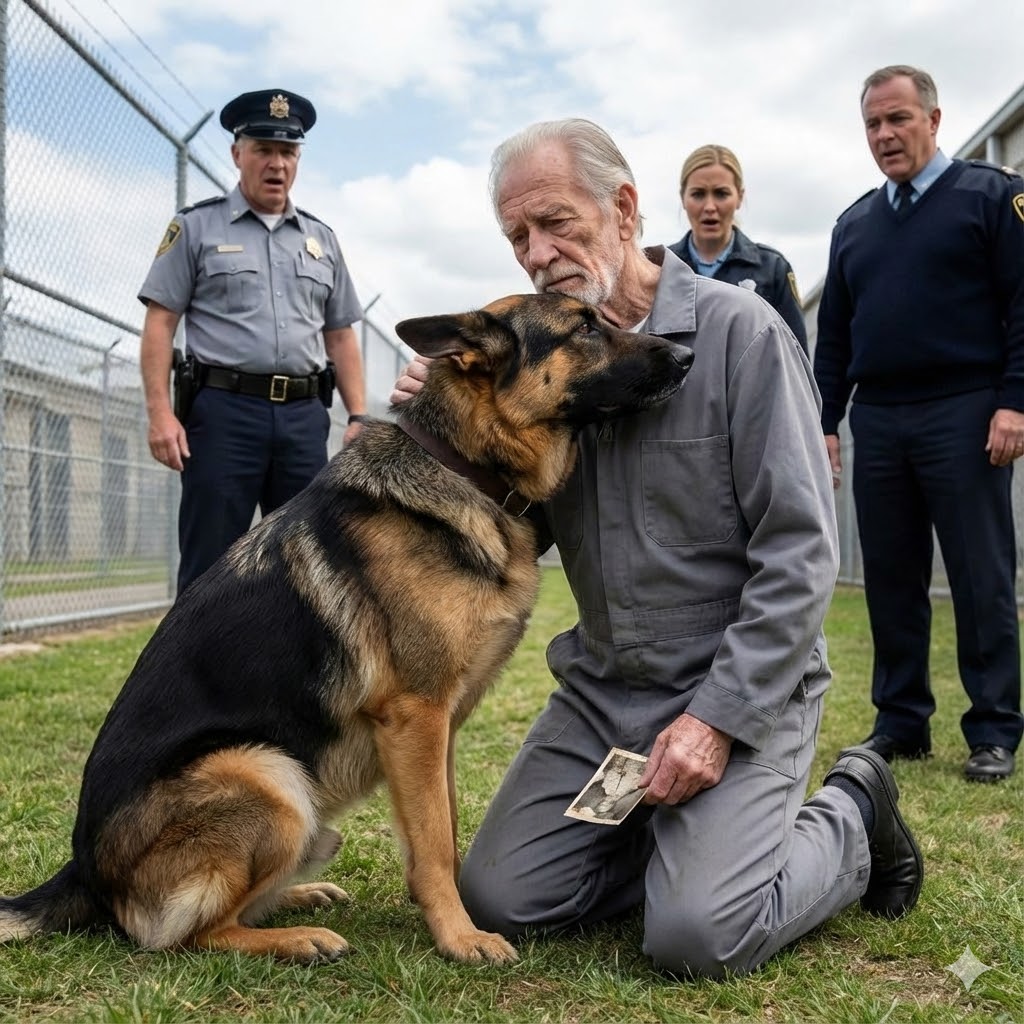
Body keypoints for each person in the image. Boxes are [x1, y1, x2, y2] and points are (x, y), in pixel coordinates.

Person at [391, 117, 922, 979]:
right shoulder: (537, 372)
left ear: (625, 208)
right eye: (518, 236)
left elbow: (800, 552)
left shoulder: (741, 334)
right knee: (499, 897)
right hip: (608, 693)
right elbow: (504, 528)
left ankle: (854, 815)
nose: (537, 253)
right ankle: (681, 844)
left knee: (698, 936)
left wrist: (715, 721)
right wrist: (450, 423)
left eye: (555, 222)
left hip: (735, 686)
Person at [814, 65, 1024, 783]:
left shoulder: (990, 198)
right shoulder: (854, 225)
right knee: (891, 578)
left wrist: (1015, 400)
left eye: (898, 118)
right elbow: (834, 338)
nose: (885, 135)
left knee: (979, 574)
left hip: (967, 409)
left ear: (933, 119)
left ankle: (993, 728)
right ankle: (901, 722)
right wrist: (826, 421)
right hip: (879, 418)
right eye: (873, 123)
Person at [139, 88, 367, 594]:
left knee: (310, 567)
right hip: (223, 416)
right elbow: (160, 322)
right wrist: (160, 414)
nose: (276, 163)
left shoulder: (322, 240)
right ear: (237, 153)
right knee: (209, 567)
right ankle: (197, 650)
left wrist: (357, 415)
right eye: (264, 149)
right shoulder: (196, 227)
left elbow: (339, 334)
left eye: (288, 152)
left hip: (303, 419)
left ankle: (293, 652)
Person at [667, 144, 807, 352]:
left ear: (739, 197)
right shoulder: (662, 268)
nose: (710, 207)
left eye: (721, 194)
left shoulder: (772, 269)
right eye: (698, 194)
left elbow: (795, 354)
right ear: (683, 198)